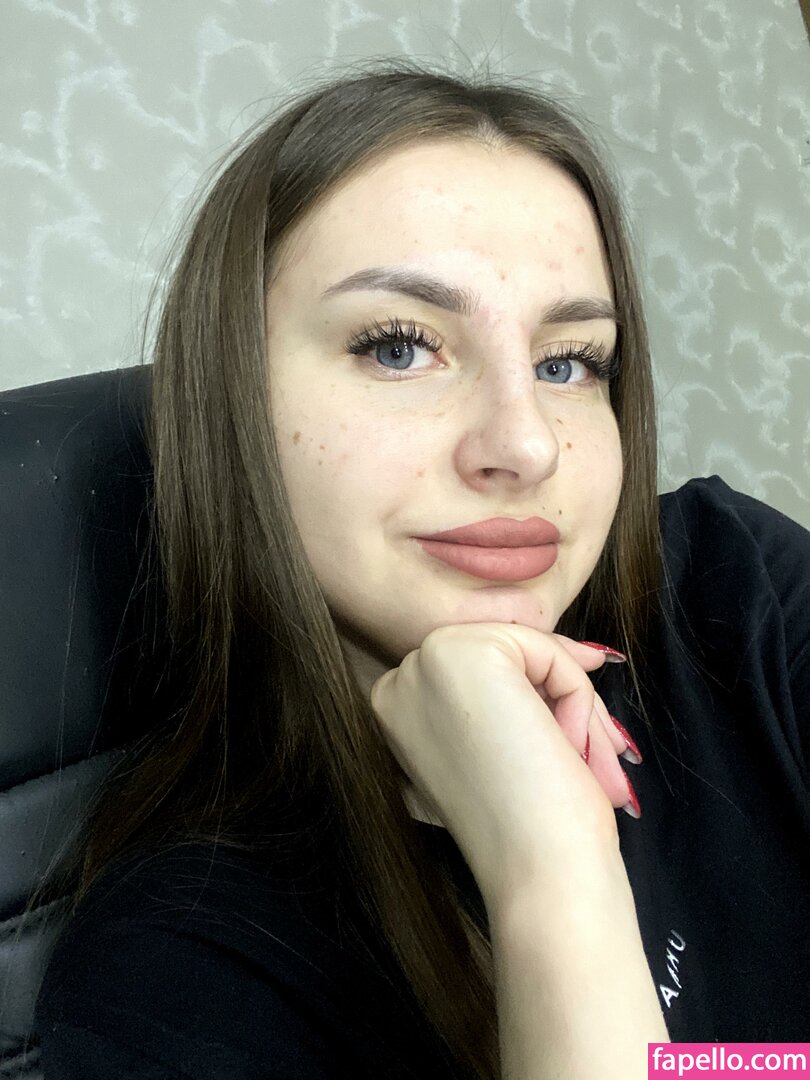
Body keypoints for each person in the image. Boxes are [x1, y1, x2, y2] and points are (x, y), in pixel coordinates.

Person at [31, 59, 810, 1079]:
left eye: (569, 362)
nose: (525, 445)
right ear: (235, 408)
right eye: (399, 347)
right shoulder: (178, 973)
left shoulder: (732, 589)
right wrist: (551, 875)